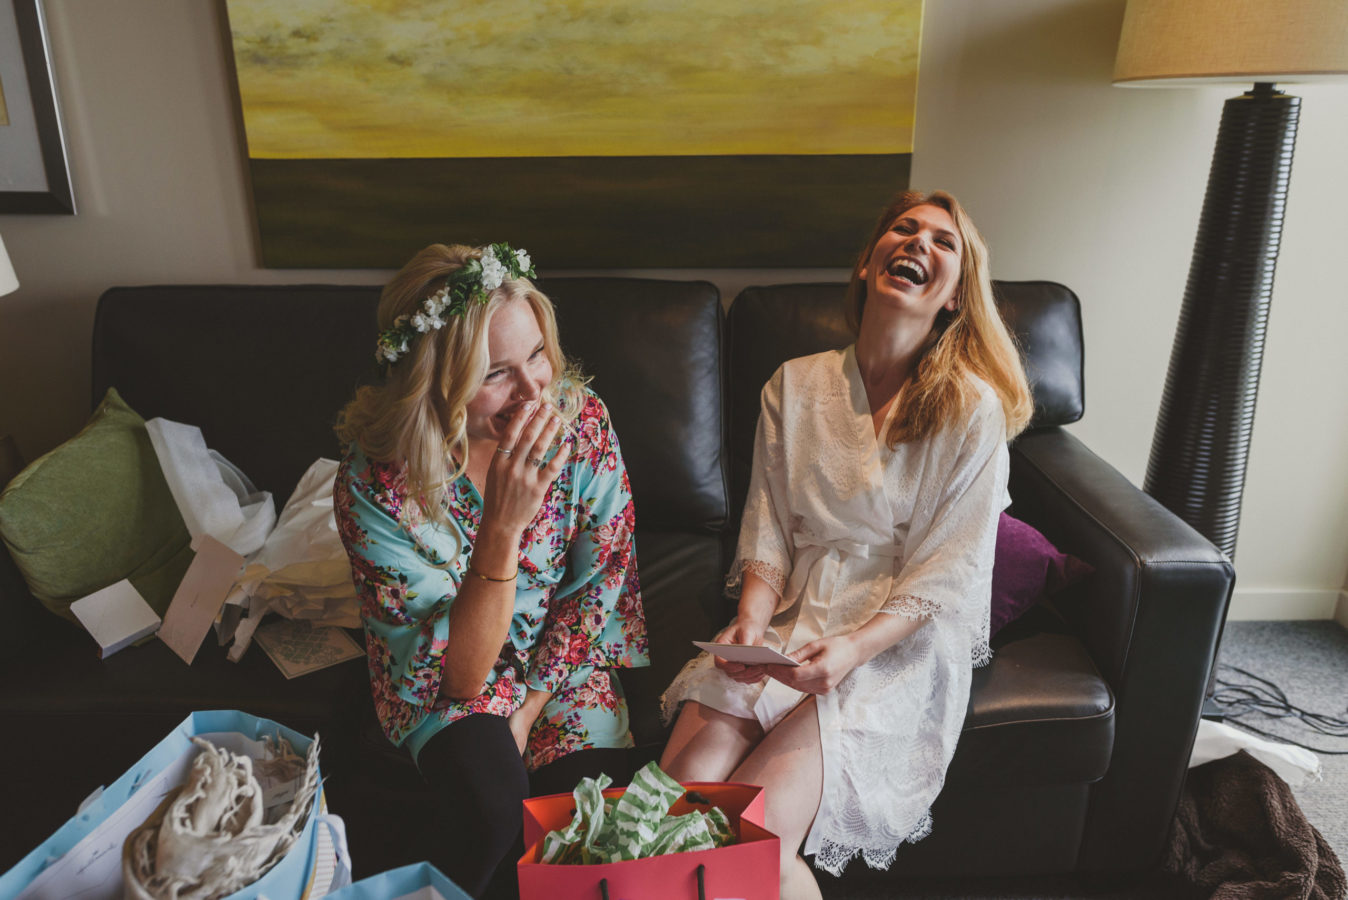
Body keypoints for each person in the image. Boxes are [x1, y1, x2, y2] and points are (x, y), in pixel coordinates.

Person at [660, 191, 1032, 899]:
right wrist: (751, 622)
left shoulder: (971, 409)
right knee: (666, 823)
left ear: (955, 296)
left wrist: (853, 650)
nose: (918, 243)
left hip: (893, 645)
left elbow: (948, 573)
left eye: (942, 242)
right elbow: (768, 525)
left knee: (750, 851)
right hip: (791, 623)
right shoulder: (794, 385)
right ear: (867, 263)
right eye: (903, 229)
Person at [333, 242, 648, 898]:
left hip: (562, 663)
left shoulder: (580, 422)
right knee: (494, 807)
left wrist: (531, 711)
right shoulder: (378, 483)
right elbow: (461, 674)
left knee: (590, 830)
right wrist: (501, 529)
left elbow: (599, 584)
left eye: (537, 354)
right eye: (495, 373)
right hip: (450, 674)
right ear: (435, 379)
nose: (537, 390)